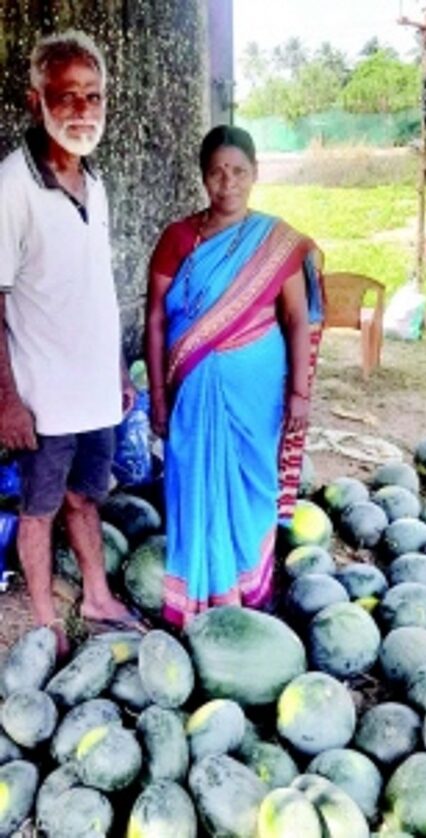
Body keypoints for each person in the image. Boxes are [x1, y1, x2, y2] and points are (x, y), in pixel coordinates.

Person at [145, 125, 324, 629]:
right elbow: (156, 318)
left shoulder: (275, 242)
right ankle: (200, 600)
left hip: (258, 388)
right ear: (203, 176)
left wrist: (299, 393)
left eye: (239, 171)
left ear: (255, 174)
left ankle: (252, 587)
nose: (228, 183)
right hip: (193, 385)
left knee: (251, 479)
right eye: (217, 172)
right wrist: (157, 393)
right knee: (190, 475)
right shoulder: (178, 238)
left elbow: (295, 318)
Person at [0, 31, 139, 653]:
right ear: (36, 103)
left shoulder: (97, 180)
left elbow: (96, 287)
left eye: (93, 96)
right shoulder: (10, 187)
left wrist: (116, 370)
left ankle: (96, 595)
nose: (82, 109)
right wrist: (6, 401)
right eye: (66, 96)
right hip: (45, 393)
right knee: (40, 508)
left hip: (93, 387)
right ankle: (44, 622)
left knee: (86, 498)